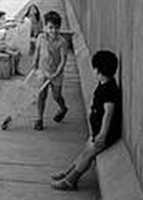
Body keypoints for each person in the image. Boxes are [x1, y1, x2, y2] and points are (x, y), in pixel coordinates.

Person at [51, 49, 122, 190]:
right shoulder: (105, 84)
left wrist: (102, 134)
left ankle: (71, 181)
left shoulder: (109, 89)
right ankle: (68, 172)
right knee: (84, 151)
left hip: (105, 133)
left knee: (88, 156)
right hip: (97, 131)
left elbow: (109, 113)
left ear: (97, 70)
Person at [31, 10, 68, 129]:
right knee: (41, 95)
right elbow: (37, 52)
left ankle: (63, 108)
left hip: (56, 73)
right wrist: (34, 65)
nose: (53, 31)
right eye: (50, 27)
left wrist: (57, 73)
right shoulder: (41, 38)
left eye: (56, 28)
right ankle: (39, 119)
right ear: (45, 27)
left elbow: (63, 60)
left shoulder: (62, 42)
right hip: (43, 71)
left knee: (56, 96)